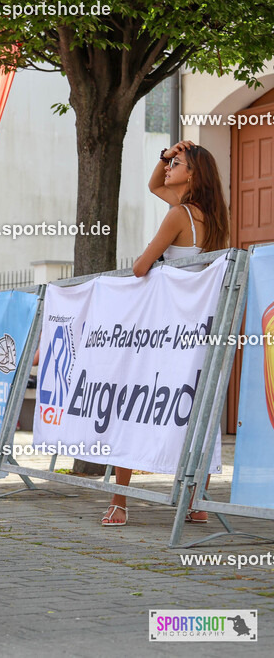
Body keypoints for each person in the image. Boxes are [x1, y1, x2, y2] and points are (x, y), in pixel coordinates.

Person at [102, 140, 230, 527]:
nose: (168, 167)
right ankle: (196, 502)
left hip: (166, 331)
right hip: (200, 333)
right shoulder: (216, 218)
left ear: (191, 174)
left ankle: (119, 504)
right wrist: (163, 158)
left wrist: (152, 261)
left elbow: (141, 267)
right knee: (200, 411)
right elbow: (154, 187)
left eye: (176, 163)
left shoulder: (178, 215)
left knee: (136, 405)